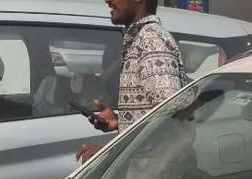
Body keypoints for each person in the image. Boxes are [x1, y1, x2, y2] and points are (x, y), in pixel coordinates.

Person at [75, 0, 188, 163]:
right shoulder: (141, 39)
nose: (107, 1)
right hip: (148, 177)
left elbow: (169, 118)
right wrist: (120, 122)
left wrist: (109, 153)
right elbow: (158, 114)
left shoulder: (151, 41)